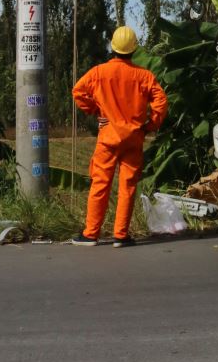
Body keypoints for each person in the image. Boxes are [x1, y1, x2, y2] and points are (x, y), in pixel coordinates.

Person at [72, 26, 168, 247]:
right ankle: (121, 235)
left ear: (112, 47)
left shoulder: (98, 72)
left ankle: (91, 234)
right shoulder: (144, 76)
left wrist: (97, 111)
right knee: (128, 186)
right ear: (134, 50)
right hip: (134, 138)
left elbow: (78, 91)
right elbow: (161, 103)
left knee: (100, 184)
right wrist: (149, 126)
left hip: (108, 137)